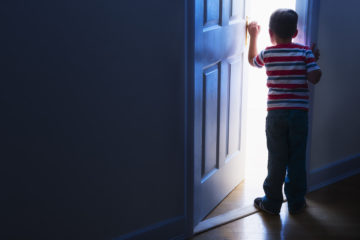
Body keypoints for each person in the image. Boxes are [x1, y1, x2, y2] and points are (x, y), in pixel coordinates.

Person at [247, 8, 322, 215]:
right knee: (297, 158)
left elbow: (252, 60)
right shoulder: (304, 52)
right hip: (298, 115)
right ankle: (297, 202)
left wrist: (253, 36)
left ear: (270, 33)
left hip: (276, 116)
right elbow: (314, 77)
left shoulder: (268, 53)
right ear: (295, 33)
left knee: (276, 158)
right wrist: (314, 60)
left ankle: (271, 202)